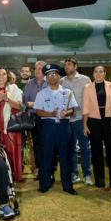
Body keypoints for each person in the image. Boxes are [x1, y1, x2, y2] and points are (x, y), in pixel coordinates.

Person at [34, 63, 78, 194]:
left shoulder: (67, 92)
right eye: (49, 75)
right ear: (46, 78)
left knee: (66, 156)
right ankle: (45, 184)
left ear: (59, 76)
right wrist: (51, 114)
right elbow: (38, 111)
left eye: (54, 74)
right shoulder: (41, 94)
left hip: (64, 126)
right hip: (48, 126)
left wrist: (67, 113)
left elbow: (73, 109)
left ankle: (67, 185)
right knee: (46, 156)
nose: (52, 76)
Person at [82, 65, 111, 190]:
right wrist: (84, 125)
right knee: (96, 153)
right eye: (96, 72)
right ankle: (99, 182)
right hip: (93, 122)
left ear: (105, 73)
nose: (98, 74)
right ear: (92, 74)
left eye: (101, 71)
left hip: (109, 121)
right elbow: (85, 107)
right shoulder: (87, 87)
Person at [60, 57, 92, 185]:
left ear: (75, 66)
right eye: (65, 65)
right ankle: (74, 174)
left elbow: (90, 99)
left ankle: (87, 174)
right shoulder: (61, 81)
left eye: (69, 64)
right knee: (70, 148)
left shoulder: (85, 80)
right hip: (67, 120)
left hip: (81, 119)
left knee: (85, 147)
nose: (67, 66)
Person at [0, 67, 24, 182]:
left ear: (7, 76)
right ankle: (2, 177)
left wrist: (7, 99)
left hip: (10, 128)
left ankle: (14, 178)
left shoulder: (14, 88)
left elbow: (20, 106)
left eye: (4, 74)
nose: (1, 76)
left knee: (12, 153)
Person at [23, 60, 47, 179]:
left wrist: (36, 103)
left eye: (40, 68)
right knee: (36, 145)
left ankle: (48, 170)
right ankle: (38, 168)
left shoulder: (49, 83)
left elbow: (51, 100)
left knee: (48, 144)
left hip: (47, 117)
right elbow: (24, 101)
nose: (37, 71)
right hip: (34, 118)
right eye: (36, 68)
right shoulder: (29, 84)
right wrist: (29, 105)